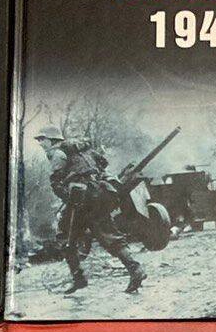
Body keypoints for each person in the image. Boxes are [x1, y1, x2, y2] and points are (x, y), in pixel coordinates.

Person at [36, 126, 146, 296]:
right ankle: (135, 269)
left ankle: (79, 278)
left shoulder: (57, 153)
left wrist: (69, 198)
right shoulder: (82, 149)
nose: (40, 143)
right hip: (100, 192)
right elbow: (103, 162)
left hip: (82, 198)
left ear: (52, 139)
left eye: (42, 139)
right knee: (109, 235)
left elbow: (56, 183)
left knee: (65, 237)